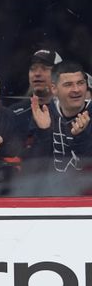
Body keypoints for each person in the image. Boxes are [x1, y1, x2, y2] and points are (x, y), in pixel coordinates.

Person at [24, 61, 92, 193]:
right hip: (51, 200)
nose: (76, 89)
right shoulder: (44, 115)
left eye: (80, 83)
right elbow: (33, 169)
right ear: (54, 89)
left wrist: (81, 137)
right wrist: (44, 132)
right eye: (68, 85)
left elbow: (87, 168)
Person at [10, 50, 62, 147]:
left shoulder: (67, 113)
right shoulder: (14, 112)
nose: (37, 73)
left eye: (44, 68)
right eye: (33, 69)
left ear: (58, 74)